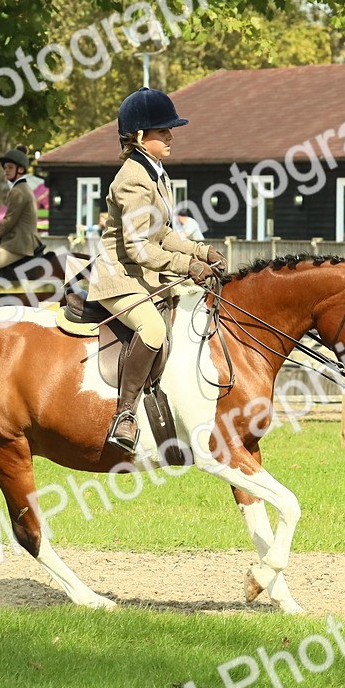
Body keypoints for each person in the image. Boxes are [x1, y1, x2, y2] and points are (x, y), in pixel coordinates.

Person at [87, 87, 224, 453]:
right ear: (138, 137)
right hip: (119, 278)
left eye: (169, 129)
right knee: (152, 329)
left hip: (144, 275)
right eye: (162, 130)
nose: (170, 136)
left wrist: (201, 250)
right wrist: (186, 265)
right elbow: (138, 247)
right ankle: (126, 414)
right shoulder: (131, 178)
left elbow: (162, 232)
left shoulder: (156, 174)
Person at [0, 146, 41, 278]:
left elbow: (8, 221)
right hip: (19, 241)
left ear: (20, 169)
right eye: (5, 168)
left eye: (10, 167)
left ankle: (2, 298)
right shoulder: (22, 188)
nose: (6, 171)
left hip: (19, 243)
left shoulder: (19, 191)